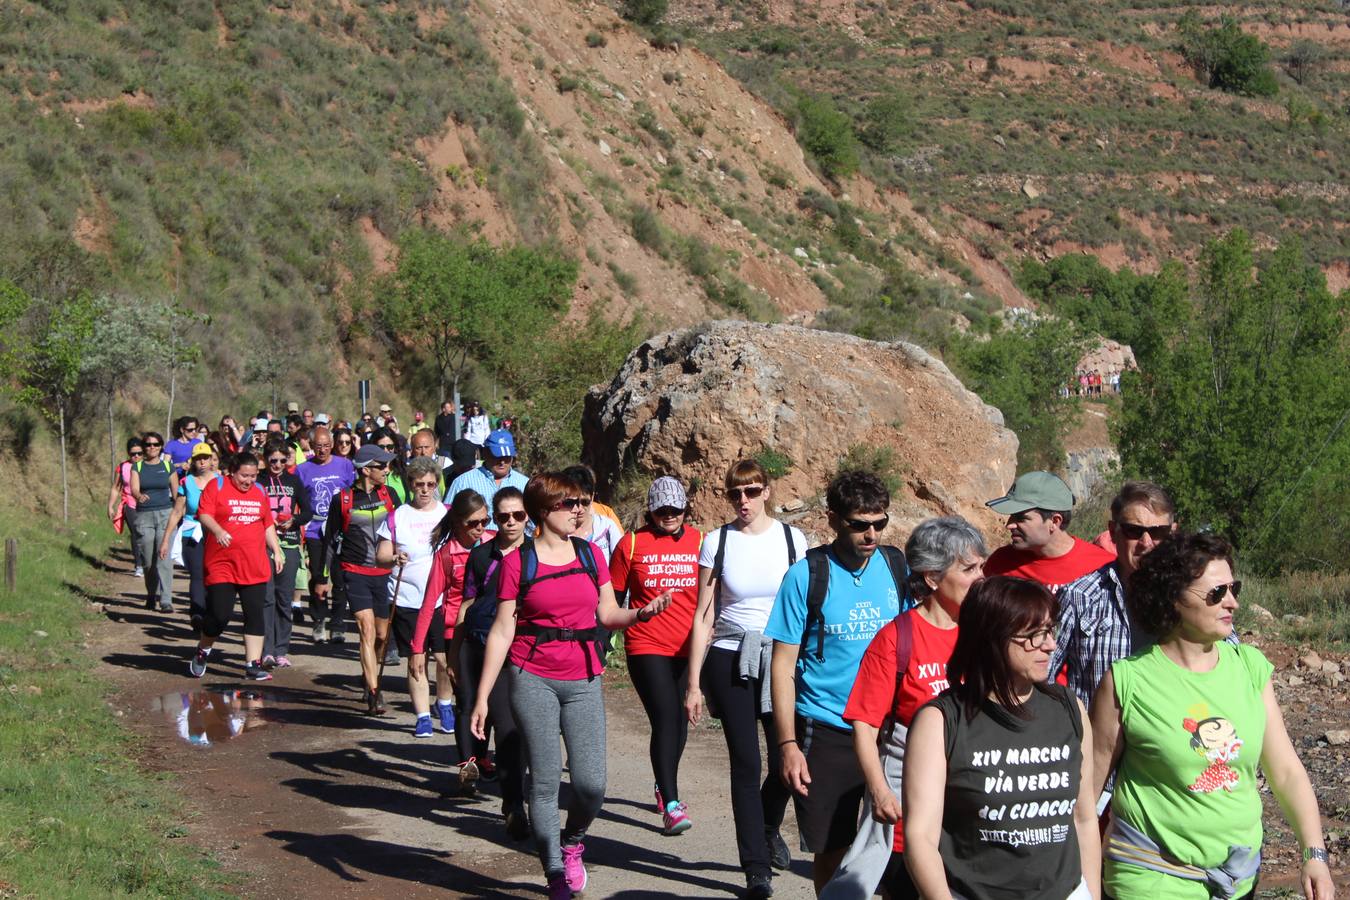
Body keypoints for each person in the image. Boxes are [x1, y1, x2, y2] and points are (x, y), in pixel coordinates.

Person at [1091, 533, 1334, 900]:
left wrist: (1314, 853)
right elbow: (1088, 790)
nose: (1233, 603)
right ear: (1173, 597)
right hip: (1151, 877)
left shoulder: (1251, 668)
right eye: (1217, 593)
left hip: (1238, 879)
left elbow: (1285, 770)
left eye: (1233, 588)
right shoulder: (1127, 681)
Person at [469, 472, 672, 900]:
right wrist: (483, 697)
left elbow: (608, 614)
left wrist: (641, 614)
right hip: (532, 677)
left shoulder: (590, 555)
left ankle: (573, 839)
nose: (579, 510)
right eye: (569, 504)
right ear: (543, 512)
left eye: (581, 502)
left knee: (591, 784)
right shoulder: (516, 563)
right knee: (544, 782)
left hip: (583, 676)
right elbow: (503, 631)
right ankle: (554, 870)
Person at [903, 576, 1100, 900]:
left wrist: (1091, 894)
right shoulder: (940, 720)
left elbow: (1084, 817)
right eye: (1034, 635)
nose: (1050, 645)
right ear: (991, 638)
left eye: (1050, 631)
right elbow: (920, 836)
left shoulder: (1069, 708)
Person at [825, 516, 989, 900]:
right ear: (932, 578)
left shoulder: (985, 633)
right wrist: (880, 791)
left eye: (982, 566)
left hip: (972, 808)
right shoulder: (896, 639)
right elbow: (864, 726)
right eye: (969, 569)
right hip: (908, 810)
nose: (981, 577)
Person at [767, 471, 909, 895]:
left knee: (896, 842)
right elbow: (782, 666)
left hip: (888, 731)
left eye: (879, 523)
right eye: (859, 524)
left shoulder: (895, 565)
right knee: (832, 847)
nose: (871, 534)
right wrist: (788, 745)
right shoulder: (806, 576)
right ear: (833, 520)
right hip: (829, 729)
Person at [684, 459, 808, 899]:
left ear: (767, 492)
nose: (743, 501)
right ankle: (756, 868)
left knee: (788, 757)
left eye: (752, 491)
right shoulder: (716, 542)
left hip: (779, 658)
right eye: (735, 493)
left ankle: (770, 822)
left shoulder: (793, 540)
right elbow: (704, 615)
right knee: (745, 764)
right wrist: (694, 682)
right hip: (729, 656)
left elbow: (803, 610)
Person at [608, 476, 702, 835]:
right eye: (662, 509)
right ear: (650, 510)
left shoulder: (700, 541)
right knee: (665, 717)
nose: (669, 515)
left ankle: (665, 785)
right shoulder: (631, 544)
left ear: (684, 509)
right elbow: (613, 599)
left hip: (688, 647)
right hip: (646, 643)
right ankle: (673, 805)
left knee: (679, 722)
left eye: (675, 509)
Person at [1053, 481, 1178, 708]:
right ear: (1113, 532)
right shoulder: (1079, 596)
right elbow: (1043, 675)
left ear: (1173, 533)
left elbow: (1230, 663)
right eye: (1134, 531)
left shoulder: (1191, 597)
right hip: (1098, 739)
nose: (1146, 543)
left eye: (1158, 532)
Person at [454, 486, 529, 839]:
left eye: (518, 515)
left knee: (513, 727)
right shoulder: (481, 555)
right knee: (483, 712)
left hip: (522, 650)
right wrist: (453, 652)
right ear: (493, 520)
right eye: (503, 516)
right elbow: (468, 602)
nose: (511, 522)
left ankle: (515, 801)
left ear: (528, 517)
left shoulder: (535, 555)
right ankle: (476, 770)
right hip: (481, 642)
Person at [412, 489, 489, 782]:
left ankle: (482, 756)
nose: (480, 528)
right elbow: (429, 601)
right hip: (455, 637)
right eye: (473, 523)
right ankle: (467, 764)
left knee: (490, 701)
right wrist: (417, 649)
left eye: (484, 520)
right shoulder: (446, 555)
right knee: (466, 701)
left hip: (491, 634)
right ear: (457, 522)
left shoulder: (494, 543)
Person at [188, 451, 286, 681]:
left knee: (255, 614)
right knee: (220, 616)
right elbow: (203, 514)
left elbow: (266, 523)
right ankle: (203, 650)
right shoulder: (217, 486)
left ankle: (253, 664)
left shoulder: (259, 491)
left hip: (254, 564)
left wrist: (276, 550)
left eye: (253, 476)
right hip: (222, 563)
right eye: (244, 476)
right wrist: (218, 530)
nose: (249, 481)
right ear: (233, 472)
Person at [378, 457, 458, 737]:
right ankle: (423, 715)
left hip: (441, 600)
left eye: (430, 484)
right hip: (406, 599)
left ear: (437, 484)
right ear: (410, 484)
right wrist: (394, 558)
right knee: (417, 659)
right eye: (419, 484)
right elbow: (381, 557)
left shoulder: (448, 513)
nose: (425, 490)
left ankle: (445, 704)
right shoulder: (398, 515)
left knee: (445, 659)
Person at [318, 443, 397, 714]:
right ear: (366, 470)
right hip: (355, 572)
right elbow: (329, 540)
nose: (387, 470)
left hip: (384, 574)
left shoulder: (391, 494)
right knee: (366, 629)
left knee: (382, 635)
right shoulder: (343, 499)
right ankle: (375, 692)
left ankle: (369, 674)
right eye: (381, 466)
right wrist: (323, 578)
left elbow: (402, 529)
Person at [984, 471, 1114, 593]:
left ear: (1055, 521)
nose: (1009, 525)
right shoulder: (1000, 563)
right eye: (1011, 516)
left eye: (1021, 518)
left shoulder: (1104, 568)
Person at [295, 426, 356, 643]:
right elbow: (298, 502)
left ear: (332, 445)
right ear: (311, 447)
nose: (323, 450)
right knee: (319, 578)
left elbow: (353, 493)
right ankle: (319, 619)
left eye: (327, 446)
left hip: (340, 531)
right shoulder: (302, 470)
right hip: (315, 531)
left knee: (340, 579)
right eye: (318, 446)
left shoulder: (345, 465)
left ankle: (337, 625)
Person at [258, 440, 311, 669]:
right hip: (262, 546)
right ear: (265, 459)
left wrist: (295, 520)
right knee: (266, 598)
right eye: (273, 460)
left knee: (284, 599)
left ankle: (281, 650)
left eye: (283, 460)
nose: (278, 464)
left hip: (289, 545)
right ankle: (266, 650)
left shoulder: (294, 481)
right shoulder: (258, 481)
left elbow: (308, 511)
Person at [160, 443, 220, 625]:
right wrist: (165, 540)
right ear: (192, 461)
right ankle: (197, 613)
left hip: (215, 533)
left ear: (211, 460)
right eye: (197, 459)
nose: (202, 462)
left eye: (205, 458)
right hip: (191, 531)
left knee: (214, 574)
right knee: (197, 574)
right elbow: (177, 512)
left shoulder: (222, 482)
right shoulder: (186, 482)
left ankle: (212, 611)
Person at [130, 431, 180, 612]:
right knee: (148, 561)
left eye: (156, 444)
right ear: (144, 447)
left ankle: (166, 599)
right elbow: (134, 488)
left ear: (161, 447)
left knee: (163, 558)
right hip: (144, 516)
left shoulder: (168, 467)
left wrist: (178, 514)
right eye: (149, 444)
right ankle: (151, 594)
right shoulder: (138, 467)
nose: (152, 447)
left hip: (166, 514)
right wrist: (138, 495)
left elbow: (176, 494)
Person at [446, 428, 527, 509]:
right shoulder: (463, 483)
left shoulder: (524, 484)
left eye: (507, 456)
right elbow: (447, 517)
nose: (502, 461)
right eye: (497, 455)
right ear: (485, 453)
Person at [562, 464, 624, 563]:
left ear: (592, 496)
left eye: (584, 502)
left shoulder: (607, 527)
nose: (579, 509)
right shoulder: (557, 533)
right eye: (572, 503)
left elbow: (621, 564)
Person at [108, 437, 145, 578]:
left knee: (149, 534)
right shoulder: (123, 467)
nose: (136, 457)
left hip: (149, 505)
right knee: (136, 532)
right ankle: (139, 564)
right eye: (132, 454)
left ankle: (150, 561)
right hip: (130, 503)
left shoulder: (150, 465)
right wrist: (110, 506)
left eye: (139, 453)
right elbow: (116, 488)